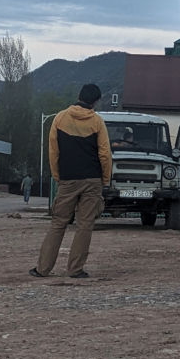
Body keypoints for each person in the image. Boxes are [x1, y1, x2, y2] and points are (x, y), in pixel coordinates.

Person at [30, 83, 113, 279]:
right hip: (92, 179)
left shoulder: (59, 118)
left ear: (78, 96)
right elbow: (104, 154)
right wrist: (105, 179)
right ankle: (75, 269)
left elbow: (53, 152)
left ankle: (43, 269)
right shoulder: (97, 122)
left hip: (67, 179)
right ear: (95, 101)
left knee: (58, 223)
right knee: (85, 225)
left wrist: (58, 176)